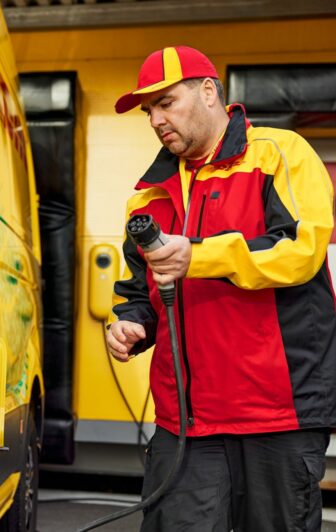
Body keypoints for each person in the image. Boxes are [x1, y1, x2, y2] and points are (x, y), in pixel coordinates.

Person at [105, 45, 336, 531]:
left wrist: (199, 255)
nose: (155, 120)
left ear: (208, 92)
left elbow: (299, 250)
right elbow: (136, 290)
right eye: (149, 111)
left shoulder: (280, 153)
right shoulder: (147, 198)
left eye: (166, 102)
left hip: (277, 414)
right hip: (184, 422)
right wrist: (130, 325)